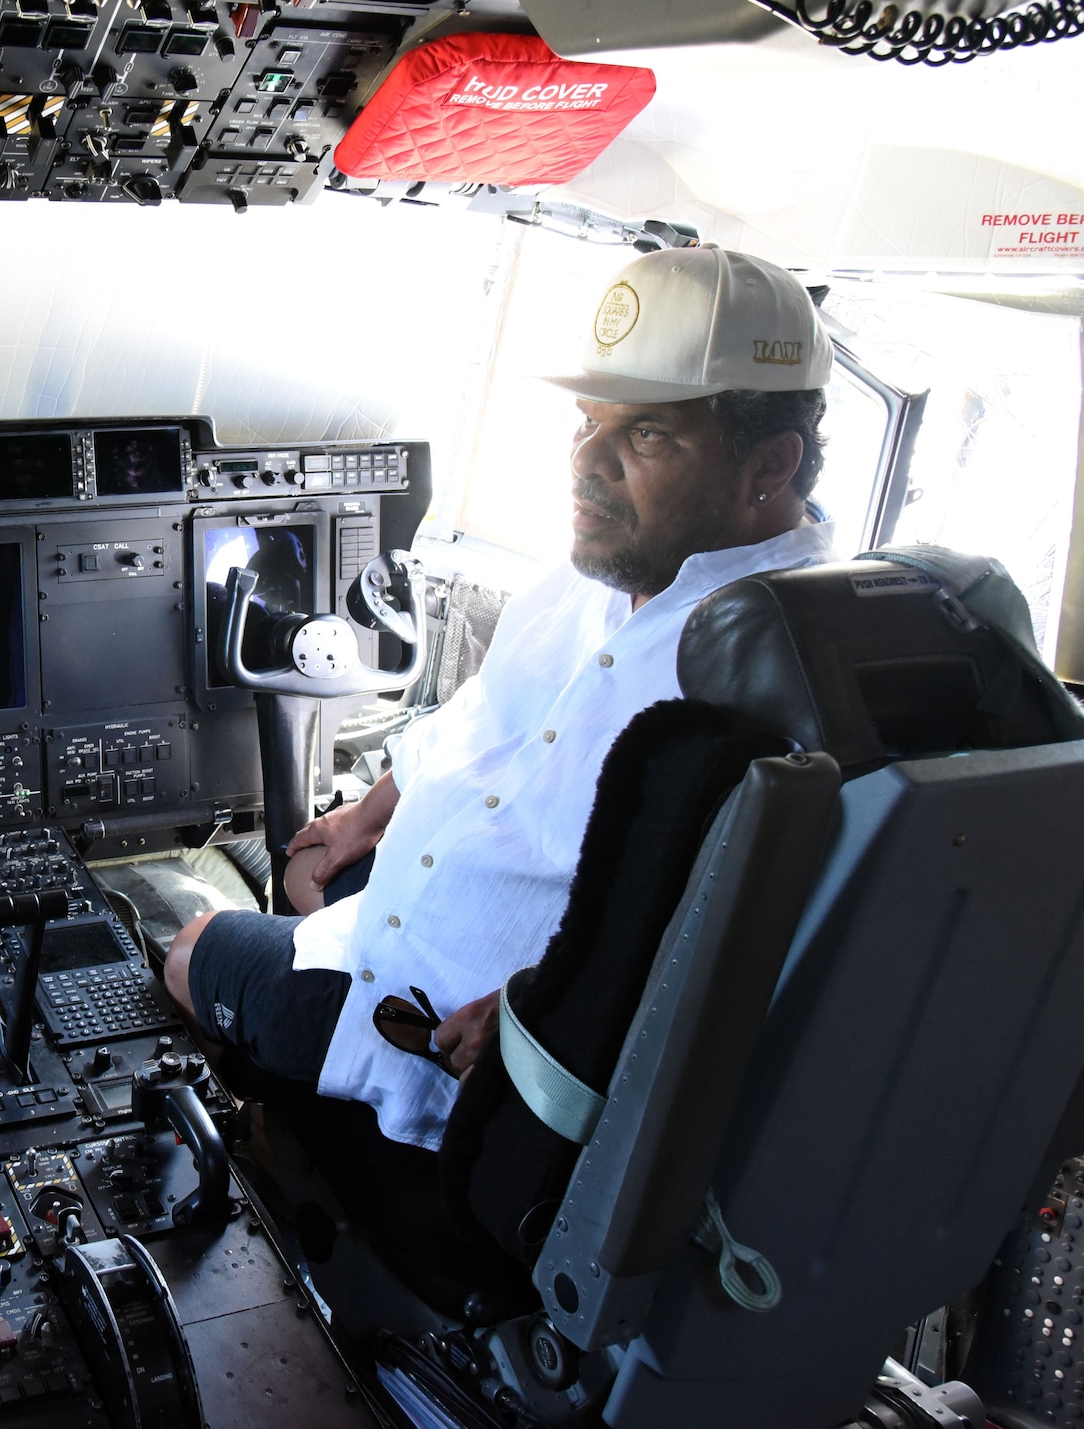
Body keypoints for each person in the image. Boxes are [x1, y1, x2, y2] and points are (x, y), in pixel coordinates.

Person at [161, 245, 840, 1281]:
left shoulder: (772, 664)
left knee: (187, 935)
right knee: (292, 865)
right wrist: (365, 816)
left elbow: (727, 943)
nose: (585, 463)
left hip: (453, 1035)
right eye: (586, 423)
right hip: (417, 911)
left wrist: (537, 1005)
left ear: (770, 464)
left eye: (644, 433)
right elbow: (479, 716)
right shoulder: (604, 570)